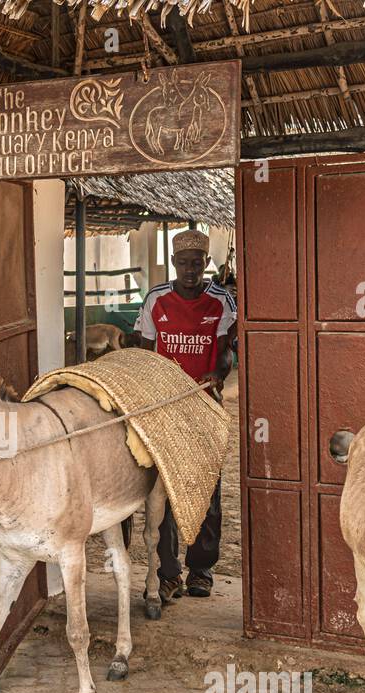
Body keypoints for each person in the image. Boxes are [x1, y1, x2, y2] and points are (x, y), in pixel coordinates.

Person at [134, 228, 235, 600]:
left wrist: (219, 374)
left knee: (206, 489)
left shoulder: (222, 301)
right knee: (163, 491)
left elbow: (226, 351)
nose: (190, 270)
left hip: (205, 404)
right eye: (183, 263)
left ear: (206, 263)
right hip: (164, 408)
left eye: (197, 263)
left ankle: (201, 570)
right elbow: (144, 353)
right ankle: (168, 572)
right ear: (173, 263)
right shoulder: (156, 300)